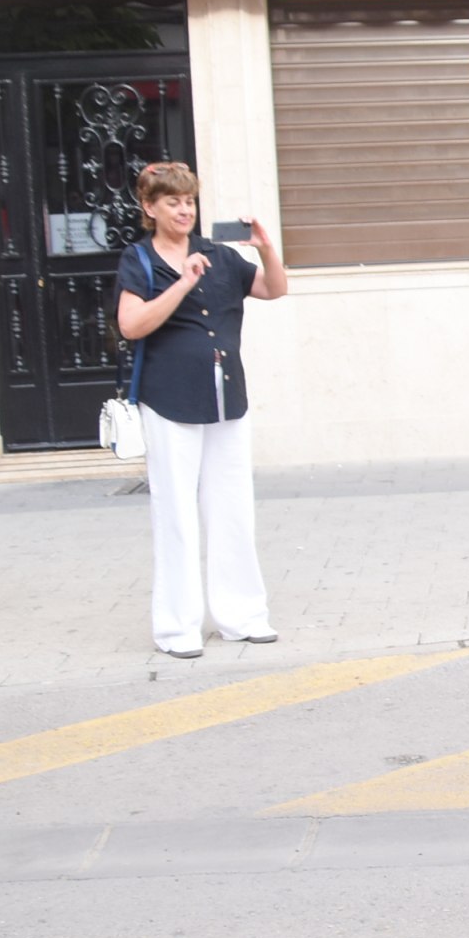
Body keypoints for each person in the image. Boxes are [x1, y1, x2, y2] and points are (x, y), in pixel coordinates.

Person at [116, 162, 288, 660]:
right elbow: (132, 325)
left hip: (227, 399)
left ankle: (243, 616)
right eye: (173, 202)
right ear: (150, 208)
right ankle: (177, 628)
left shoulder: (220, 255)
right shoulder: (139, 259)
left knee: (232, 508)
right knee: (176, 514)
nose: (184, 209)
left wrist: (266, 249)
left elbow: (275, 289)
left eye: (189, 200)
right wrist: (182, 284)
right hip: (169, 400)